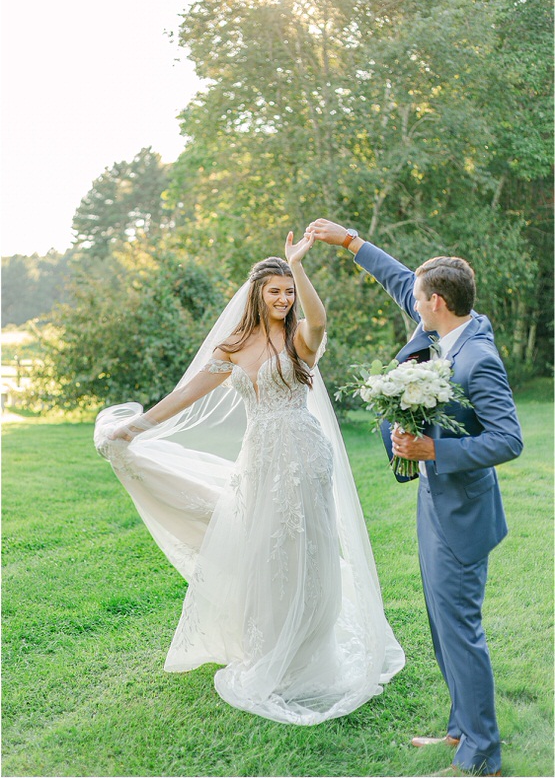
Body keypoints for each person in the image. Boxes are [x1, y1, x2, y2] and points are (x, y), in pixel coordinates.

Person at [94, 231, 405, 725]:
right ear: (257, 294)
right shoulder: (234, 345)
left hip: (302, 453)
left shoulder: (300, 338)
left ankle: (309, 649)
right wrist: (133, 428)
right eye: (275, 291)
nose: (283, 299)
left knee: (304, 547)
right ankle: (270, 644)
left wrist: (297, 265)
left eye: (289, 292)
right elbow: (186, 394)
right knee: (264, 550)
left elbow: (319, 320)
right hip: (259, 457)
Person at [306, 218, 524, 777]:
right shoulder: (446, 329)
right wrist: (351, 241)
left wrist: (434, 450)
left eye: (420, 299)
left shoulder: (477, 358)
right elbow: (402, 280)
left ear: (438, 303)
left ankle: (483, 754)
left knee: (460, 630)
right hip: (434, 502)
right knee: (442, 627)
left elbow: (509, 439)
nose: (413, 302)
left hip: (462, 513)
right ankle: (460, 730)